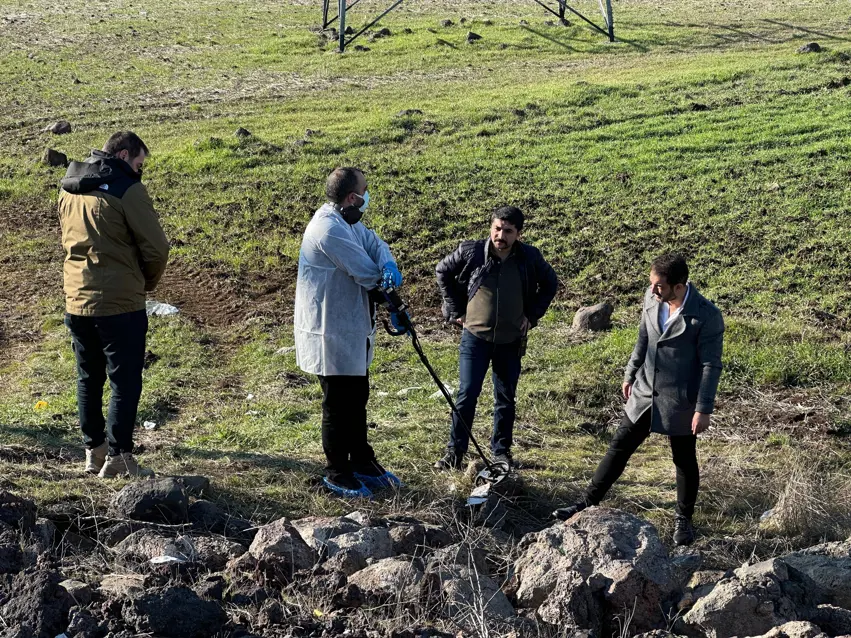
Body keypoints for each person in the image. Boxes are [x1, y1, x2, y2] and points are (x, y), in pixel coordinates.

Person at [552, 254, 724, 546]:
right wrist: (630, 373)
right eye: (651, 284)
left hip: (680, 400)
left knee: (683, 459)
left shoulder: (706, 316)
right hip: (644, 392)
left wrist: (703, 409)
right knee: (619, 446)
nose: (652, 290)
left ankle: (683, 520)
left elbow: (711, 365)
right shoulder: (651, 297)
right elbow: (643, 337)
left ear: (679, 287)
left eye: (659, 286)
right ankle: (585, 503)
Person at [59, 131, 170, 478]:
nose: (140, 171)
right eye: (139, 164)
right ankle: (120, 457)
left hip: (76, 299)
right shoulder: (128, 190)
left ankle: (94, 451)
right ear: (123, 156)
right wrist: (145, 284)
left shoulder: (69, 187)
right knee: (125, 381)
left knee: (88, 378)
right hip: (120, 304)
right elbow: (157, 249)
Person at [294, 167, 405, 498]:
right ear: (353, 197)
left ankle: (362, 461)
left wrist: (388, 264)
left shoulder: (348, 222)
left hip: (352, 329)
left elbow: (375, 244)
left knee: (357, 398)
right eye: (365, 191)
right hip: (329, 331)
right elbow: (365, 272)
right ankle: (337, 471)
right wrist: (394, 302)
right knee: (338, 404)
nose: (368, 196)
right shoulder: (328, 229)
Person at [433, 206, 558, 471]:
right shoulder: (471, 251)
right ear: (491, 227)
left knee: (505, 399)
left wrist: (532, 316)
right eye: (497, 229)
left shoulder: (530, 257)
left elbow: (550, 284)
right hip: (474, 338)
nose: (501, 235)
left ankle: (501, 453)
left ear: (519, 234)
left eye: (508, 231)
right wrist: (455, 310)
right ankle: (454, 453)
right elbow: (442, 271)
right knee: (467, 395)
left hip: (510, 341)